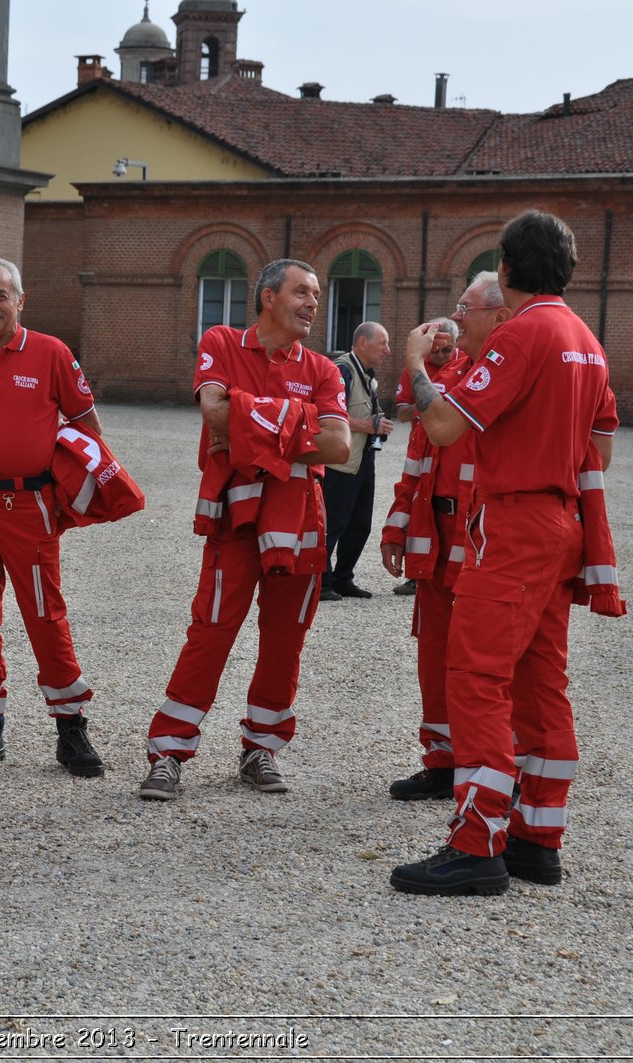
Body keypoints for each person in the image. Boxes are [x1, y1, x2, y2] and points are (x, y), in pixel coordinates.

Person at [390, 211, 619, 896]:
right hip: (560, 520)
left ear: (508, 269)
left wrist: (412, 361)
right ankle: (535, 838)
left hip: (515, 522)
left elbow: (441, 424)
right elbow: (601, 449)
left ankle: (477, 841)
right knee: (541, 681)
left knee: (477, 674)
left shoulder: (522, 334)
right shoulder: (586, 339)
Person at [139, 258, 351, 800]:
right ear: (268, 298)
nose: (313, 303)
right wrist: (295, 421)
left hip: (300, 521)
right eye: (302, 292)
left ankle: (262, 748)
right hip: (235, 517)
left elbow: (341, 446)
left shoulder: (325, 370)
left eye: (317, 294)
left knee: (285, 641)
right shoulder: (222, 341)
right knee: (210, 630)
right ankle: (168, 751)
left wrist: (246, 422)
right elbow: (213, 412)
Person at [0, 257, 106, 778]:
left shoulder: (51, 353)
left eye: (0, 296)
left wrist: (69, 494)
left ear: (20, 301)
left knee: (44, 612)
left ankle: (70, 726)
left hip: (28, 505)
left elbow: (86, 429)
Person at [379, 275, 508, 801]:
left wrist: (415, 359)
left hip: (480, 535)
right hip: (434, 527)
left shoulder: (501, 375)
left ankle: (480, 766)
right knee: (433, 652)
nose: (455, 319)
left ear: (498, 316)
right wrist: (397, 520)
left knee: (477, 657)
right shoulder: (455, 370)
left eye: (465, 308)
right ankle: (441, 762)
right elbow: (418, 446)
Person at [319, 322, 395, 600]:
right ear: (362, 342)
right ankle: (320, 582)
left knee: (360, 524)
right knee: (333, 523)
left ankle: (342, 578)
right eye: (382, 343)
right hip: (340, 462)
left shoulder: (365, 373)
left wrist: (377, 424)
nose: (388, 350)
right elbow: (327, 415)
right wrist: (369, 426)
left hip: (362, 461)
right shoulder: (342, 371)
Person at [391, 318, 459, 596]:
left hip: (451, 450)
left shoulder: (466, 365)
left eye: (448, 350)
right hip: (421, 447)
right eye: (437, 351)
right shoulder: (415, 367)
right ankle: (417, 571)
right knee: (417, 504)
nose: (442, 357)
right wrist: (433, 409)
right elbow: (403, 411)